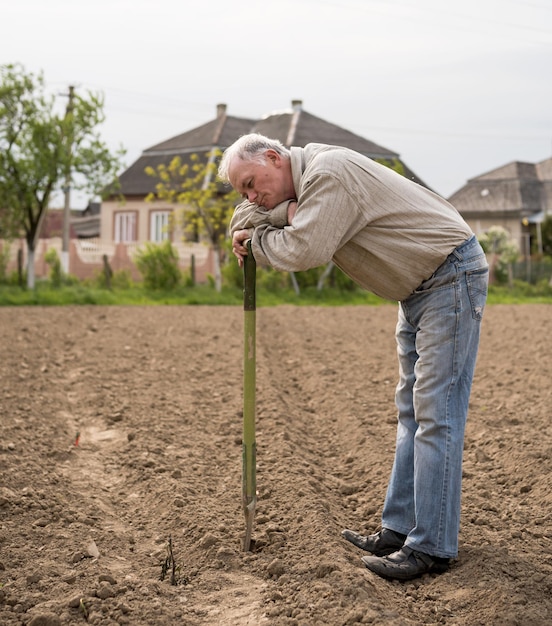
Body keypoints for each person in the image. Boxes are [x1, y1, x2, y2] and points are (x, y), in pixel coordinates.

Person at [218, 133, 488, 581]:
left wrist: (260, 240)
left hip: (448, 275)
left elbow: (304, 249)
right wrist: (283, 212)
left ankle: (432, 547)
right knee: (410, 412)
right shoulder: (296, 184)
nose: (249, 196)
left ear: (272, 157)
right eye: (242, 190)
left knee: (435, 413)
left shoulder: (329, 173)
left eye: (251, 182)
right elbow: (239, 219)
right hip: (416, 287)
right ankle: (398, 530)